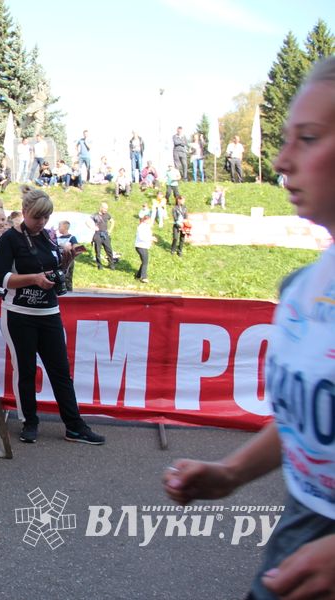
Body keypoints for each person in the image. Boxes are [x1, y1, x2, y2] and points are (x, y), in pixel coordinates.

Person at [164, 57, 335, 600]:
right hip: (304, 526)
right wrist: (231, 472)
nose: (282, 161)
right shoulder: (302, 288)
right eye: (285, 138)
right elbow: (304, 424)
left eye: (307, 139)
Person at [0, 187, 104, 445]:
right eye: (36, 217)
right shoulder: (9, 239)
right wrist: (33, 279)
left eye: (46, 217)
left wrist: (66, 260)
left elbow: (54, 273)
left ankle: (74, 424)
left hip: (49, 312)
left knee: (60, 371)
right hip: (18, 313)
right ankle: (29, 421)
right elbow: (2, 279)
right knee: (26, 370)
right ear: (24, 213)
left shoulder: (48, 236)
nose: (41, 222)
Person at [90, 202, 115, 270]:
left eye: (107, 209)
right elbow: (87, 222)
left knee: (109, 250)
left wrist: (110, 230)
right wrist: (93, 228)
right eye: (105, 209)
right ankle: (99, 266)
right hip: (97, 234)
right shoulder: (95, 215)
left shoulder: (107, 215)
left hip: (105, 234)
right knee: (98, 251)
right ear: (101, 208)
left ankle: (111, 265)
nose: (106, 210)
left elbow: (112, 221)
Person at [56, 220, 78, 291]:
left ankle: (68, 291)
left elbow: (76, 248)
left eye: (59, 226)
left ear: (65, 227)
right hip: (58, 260)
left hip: (68, 261)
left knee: (67, 277)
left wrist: (71, 248)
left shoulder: (72, 237)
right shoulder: (58, 238)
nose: (58, 228)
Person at [134, 214, 153, 283]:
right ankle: (143, 277)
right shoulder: (141, 226)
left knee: (144, 261)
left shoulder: (147, 227)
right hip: (140, 246)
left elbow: (148, 235)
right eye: (149, 220)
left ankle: (138, 275)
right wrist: (151, 238)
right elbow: (141, 237)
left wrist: (151, 240)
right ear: (146, 220)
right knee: (145, 262)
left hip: (144, 246)